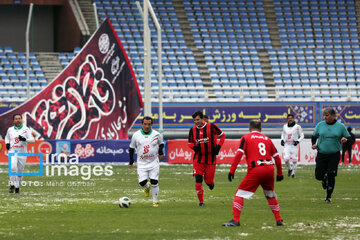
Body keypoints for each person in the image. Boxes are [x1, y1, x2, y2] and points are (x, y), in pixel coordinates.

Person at [222, 119, 284, 227]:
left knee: (239, 194)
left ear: (249, 128)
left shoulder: (246, 138)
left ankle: (235, 220)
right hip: (269, 169)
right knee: (270, 194)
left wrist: (232, 170)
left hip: (256, 169)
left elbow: (238, 154)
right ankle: (278, 220)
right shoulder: (267, 139)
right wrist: (279, 174)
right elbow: (277, 158)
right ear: (261, 129)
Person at [312, 107, 352, 204]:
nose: (325, 117)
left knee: (331, 174)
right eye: (324, 115)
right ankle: (323, 178)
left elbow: (349, 138)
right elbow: (314, 136)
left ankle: (328, 197)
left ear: (333, 116)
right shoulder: (320, 125)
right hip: (321, 154)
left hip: (334, 155)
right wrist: (313, 144)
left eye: (327, 115)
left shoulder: (340, 126)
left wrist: (346, 140)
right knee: (318, 176)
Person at [188, 110, 225, 206]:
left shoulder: (212, 127)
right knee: (198, 179)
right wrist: (194, 147)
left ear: (203, 119)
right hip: (198, 159)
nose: (196, 122)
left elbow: (222, 135)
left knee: (208, 181)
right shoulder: (192, 130)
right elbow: (190, 143)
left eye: (197, 120)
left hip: (210, 159)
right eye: (194, 120)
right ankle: (201, 202)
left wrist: (218, 147)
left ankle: (211, 183)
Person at [129, 116, 164, 207]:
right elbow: (131, 148)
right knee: (142, 183)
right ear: (142, 124)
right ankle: (146, 187)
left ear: (152, 124)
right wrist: (131, 161)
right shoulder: (136, 135)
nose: (147, 126)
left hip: (153, 162)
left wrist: (160, 152)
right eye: (145, 124)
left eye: (149, 124)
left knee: (154, 181)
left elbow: (161, 144)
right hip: (141, 163)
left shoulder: (156, 134)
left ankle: (155, 201)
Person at [5, 114, 35, 194]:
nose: (18, 120)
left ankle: (17, 186)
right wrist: (7, 143)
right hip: (13, 151)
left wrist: (25, 139)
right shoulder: (10, 129)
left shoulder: (26, 129)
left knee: (20, 171)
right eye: (16, 119)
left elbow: (32, 140)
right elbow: (7, 137)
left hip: (22, 153)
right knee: (13, 167)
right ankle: (12, 185)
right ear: (13, 120)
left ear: (22, 120)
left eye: (19, 118)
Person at [281, 114, 304, 178]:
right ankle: (290, 169)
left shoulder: (297, 126)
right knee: (286, 159)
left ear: (293, 119)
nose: (290, 119)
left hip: (294, 145)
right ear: (287, 119)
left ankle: (293, 173)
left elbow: (302, 135)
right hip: (287, 145)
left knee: (294, 159)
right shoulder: (285, 126)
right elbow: (283, 134)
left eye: (291, 118)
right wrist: (282, 140)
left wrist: (298, 141)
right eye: (289, 118)